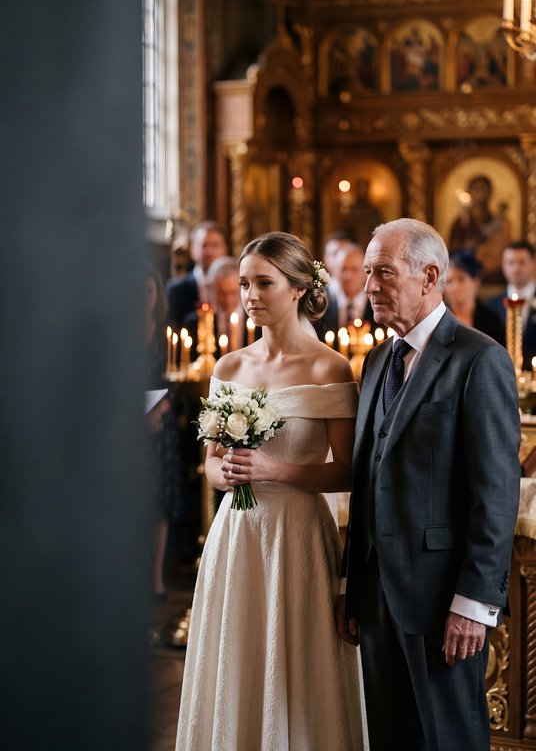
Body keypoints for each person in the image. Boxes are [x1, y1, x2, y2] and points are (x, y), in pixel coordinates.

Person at [176, 232, 367, 751]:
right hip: (237, 535)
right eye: (244, 284)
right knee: (236, 657)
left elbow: (348, 472)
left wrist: (275, 470)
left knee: (298, 664)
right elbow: (211, 463)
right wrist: (226, 474)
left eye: (264, 283)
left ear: (299, 288)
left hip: (298, 534)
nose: (250, 295)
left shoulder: (330, 367)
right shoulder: (230, 367)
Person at [336, 219, 520, 750]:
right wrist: (352, 585)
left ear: (430, 276)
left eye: (384, 273)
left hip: (444, 601)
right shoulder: (376, 360)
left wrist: (474, 603)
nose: (370, 286)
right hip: (376, 599)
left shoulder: (479, 358)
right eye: (367, 273)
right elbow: (367, 479)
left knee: (448, 740)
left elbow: (495, 493)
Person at [146, 265, 187, 599]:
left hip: (161, 422)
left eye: (147, 291)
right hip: (125, 423)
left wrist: (159, 410)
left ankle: (156, 578)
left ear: (158, 294)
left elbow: (176, 376)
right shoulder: (118, 330)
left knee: (160, 497)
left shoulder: (165, 332)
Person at [448, 174, 511, 283]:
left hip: (493, 277)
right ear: (470, 192)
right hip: (465, 273)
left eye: (483, 189)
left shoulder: (498, 222)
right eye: (476, 189)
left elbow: (504, 247)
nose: (480, 193)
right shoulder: (461, 222)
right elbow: (453, 249)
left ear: (490, 192)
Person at [166, 221, 228, 329]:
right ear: (192, 250)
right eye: (204, 245)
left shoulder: (236, 286)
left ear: (225, 249)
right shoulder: (176, 289)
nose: (209, 251)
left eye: (215, 245)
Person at [486, 240, 536, 370]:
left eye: (522, 262)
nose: (516, 268)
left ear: (533, 264)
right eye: (510, 263)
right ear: (503, 265)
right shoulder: (490, 306)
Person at [444, 250, 504, 345]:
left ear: (475, 282)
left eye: (461, 279)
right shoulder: (438, 318)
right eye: (449, 281)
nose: (455, 287)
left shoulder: (491, 320)